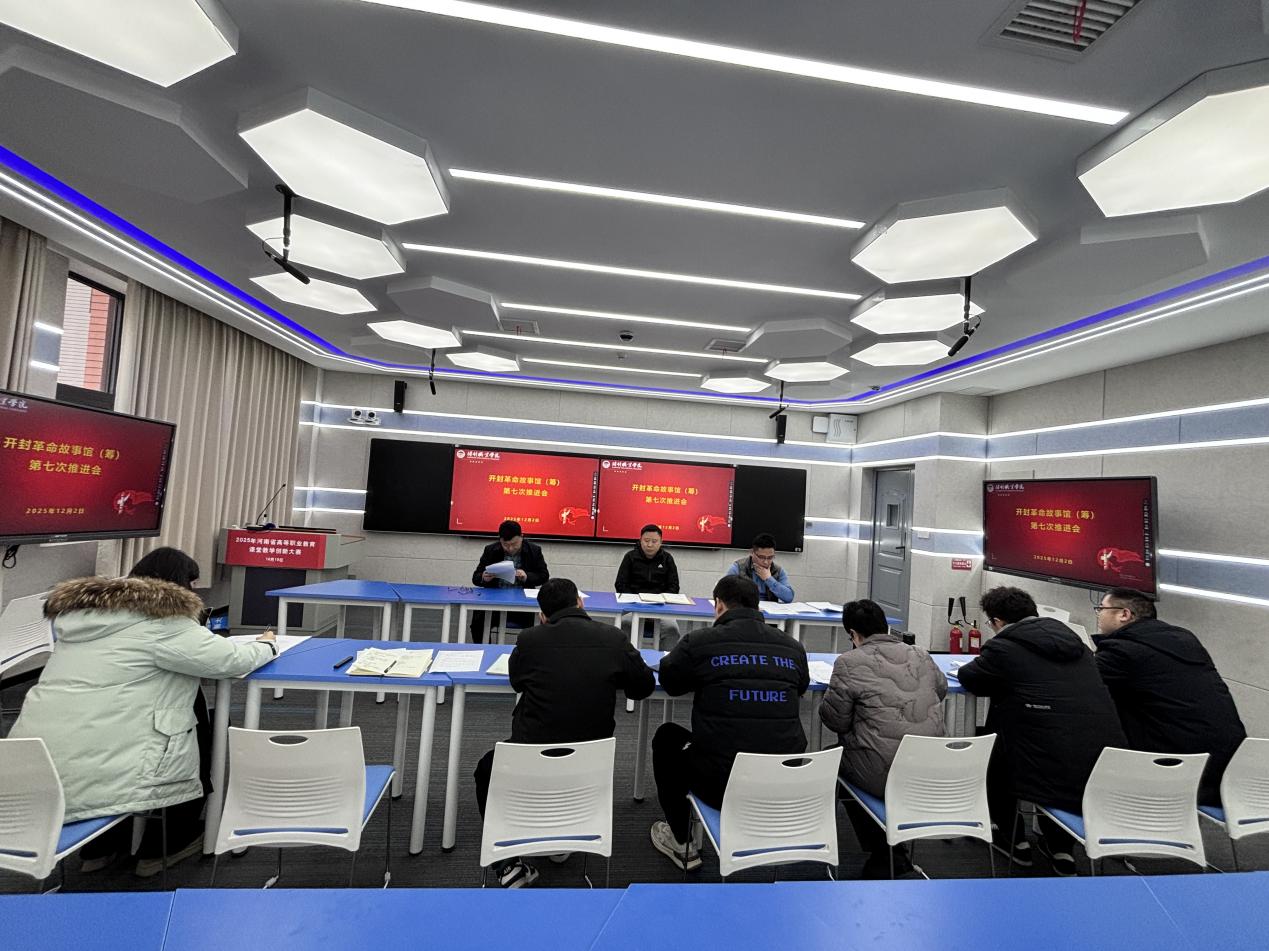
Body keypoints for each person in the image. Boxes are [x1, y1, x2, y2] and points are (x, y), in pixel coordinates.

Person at [9, 548, 277, 876]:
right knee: (199, 728)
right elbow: (231, 661)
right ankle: (165, 846)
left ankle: (100, 849)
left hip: (33, 764)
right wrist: (267, 643)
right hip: (109, 767)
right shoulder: (165, 621)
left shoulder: (80, 618)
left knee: (115, 725)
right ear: (179, 584)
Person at [472, 578, 655, 887]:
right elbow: (643, 687)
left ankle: (507, 864)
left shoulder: (530, 640)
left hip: (528, 762)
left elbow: (517, 681)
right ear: (580, 603)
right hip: (590, 766)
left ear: (542, 615)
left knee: (486, 769)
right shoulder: (613, 638)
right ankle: (562, 834)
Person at [956, 586, 1126, 877]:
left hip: (1042, 759)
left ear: (997, 621)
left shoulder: (1003, 647)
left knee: (996, 749)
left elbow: (971, 677)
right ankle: (1061, 848)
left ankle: (1013, 839)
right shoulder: (1077, 644)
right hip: (1100, 755)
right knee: (1045, 741)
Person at [649, 574, 809, 870]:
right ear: (757, 605)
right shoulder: (793, 647)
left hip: (721, 782)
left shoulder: (700, 642)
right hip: (783, 781)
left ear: (719, 605)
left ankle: (682, 842)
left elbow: (671, 682)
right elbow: (801, 687)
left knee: (667, 737)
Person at [820, 599, 948, 878]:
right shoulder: (921, 654)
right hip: (932, 769)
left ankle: (883, 851)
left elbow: (835, 721)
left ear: (853, 634)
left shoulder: (848, 662)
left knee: (832, 761)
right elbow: (941, 690)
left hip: (883, 773)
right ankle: (893, 848)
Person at [1093, 587, 1245, 806]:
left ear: (1124, 614)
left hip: (1177, 772)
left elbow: (1082, 687)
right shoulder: (1185, 639)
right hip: (1228, 766)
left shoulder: (1121, 650)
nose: (1098, 614)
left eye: (1102, 608)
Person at [469, 519, 550, 643]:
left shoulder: (534, 550)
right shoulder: (490, 550)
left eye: (514, 544)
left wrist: (526, 576)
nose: (510, 548)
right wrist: (484, 577)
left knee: (541, 625)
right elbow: (476, 577)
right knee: (477, 624)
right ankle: (486, 650)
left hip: (523, 603)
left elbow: (544, 576)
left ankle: (525, 651)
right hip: (495, 602)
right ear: (500, 540)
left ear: (522, 537)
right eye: (505, 545)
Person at [614, 523, 681, 648]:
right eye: (646, 540)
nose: (649, 545)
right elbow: (620, 584)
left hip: (661, 609)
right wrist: (637, 604)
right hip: (633, 608)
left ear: (661, 542)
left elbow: (674, 587)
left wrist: (658, 604)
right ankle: (627, 658)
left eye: (654, 541)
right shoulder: (630, 557)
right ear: (640, 540)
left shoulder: (667, 559)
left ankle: (666, 659)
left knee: (672, 630)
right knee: (624, 626)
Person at [727, 532, 794, 603]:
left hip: (769, 609)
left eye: (770, 557)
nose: (766, 562)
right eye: (761, 557)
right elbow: (725, 593)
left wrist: (769, 579)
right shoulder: (738, 567)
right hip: (746, 608)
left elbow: (789, 597)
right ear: (752, 552)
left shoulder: (778, 571)